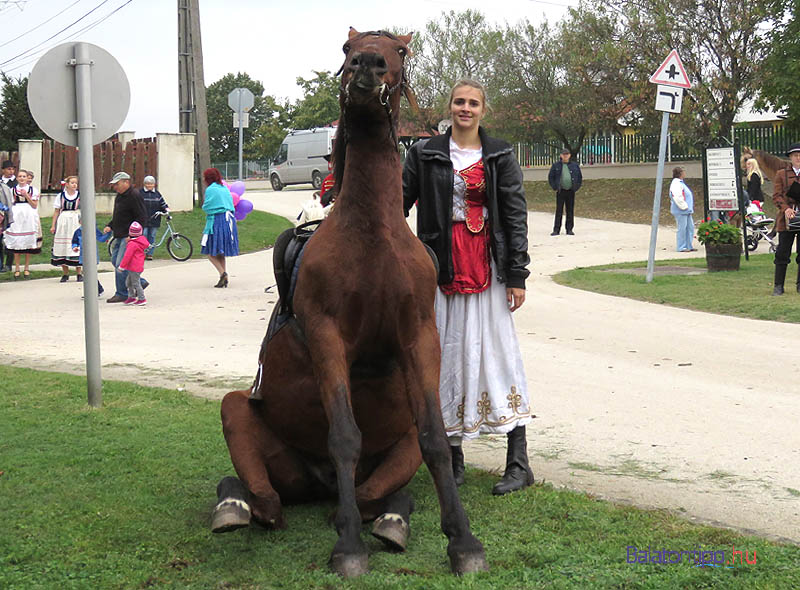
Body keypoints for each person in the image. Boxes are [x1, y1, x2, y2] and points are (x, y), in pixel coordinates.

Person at [403, 79, 533, 496]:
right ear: (450, 106)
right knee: (448, 353)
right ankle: (453, 457)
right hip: (440, 266)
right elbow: (397, 206)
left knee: (497, 353)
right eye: (459, 101)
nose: (465, 108)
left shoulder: (500, 155)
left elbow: (514, 215)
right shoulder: (424, 154)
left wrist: (517, 274)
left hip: (488, 266)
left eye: (473, 103)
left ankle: (518, 460)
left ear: (483, 110)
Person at [102, 171, 148, 303]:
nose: (115, 187)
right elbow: (119, 215)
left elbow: (142, 217)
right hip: (119, 234)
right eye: (114, 185)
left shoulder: (134, 196)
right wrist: (110, 225)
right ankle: (139, 281)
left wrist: (133, 236)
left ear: (126, 182)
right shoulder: (120, 196)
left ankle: (122, 292)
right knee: (115, 260)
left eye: (117, 184)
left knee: (120, 264)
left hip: (128, 237)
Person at [201, 167, 239, 288]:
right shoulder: (224, 188)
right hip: (229, 222)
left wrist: (205, 208)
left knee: (210, 251)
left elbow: (207, 206)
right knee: (220, 251)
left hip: (217, 220)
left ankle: (223, 273)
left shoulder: (211, 189)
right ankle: (223, 276)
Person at [771, 143, 800, 296]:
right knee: (782, 253)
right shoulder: (781, 174)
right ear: (790, 157)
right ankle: (778, 285)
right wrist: (786, 209)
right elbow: (776, 196)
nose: (798, 158)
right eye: (795, 155)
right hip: (786, 219)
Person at [2, 169, 41, 278]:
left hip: (28, 215)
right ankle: (17, 267)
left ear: (27, 178)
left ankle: (27, 267)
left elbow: (34, 205)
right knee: (17, 242)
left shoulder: (33, 190)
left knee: (28, 243)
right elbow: (10, 203)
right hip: (17, 216)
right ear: (17, 178)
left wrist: (27, 195)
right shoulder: (12, 190)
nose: (22, 178)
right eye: (20, 176)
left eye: (24, 176)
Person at [50, 176, 82, 281]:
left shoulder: (80, 195)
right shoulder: (61, 196)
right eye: (72, 183)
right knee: (63, 246)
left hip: (75, 220)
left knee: (76, 244)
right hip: (63, 221)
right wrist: (53, 225)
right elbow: (56, 211)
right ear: (67, 184)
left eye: (76, 183)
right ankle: (65, 273)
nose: (74, 185)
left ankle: (79, 273)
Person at [548, 148, 582, 235]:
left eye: (567, 154)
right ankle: (556, 229)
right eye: (564, 154)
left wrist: (576, 187)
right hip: (560, 191)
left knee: (570, 210)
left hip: (571, 191)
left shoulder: (574, 165)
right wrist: (555, 187)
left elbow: (579, 177)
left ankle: (569, 229)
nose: (565, 156)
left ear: (569, 155)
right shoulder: (556, 165)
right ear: (561, 155)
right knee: (559, 211)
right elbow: (551, 177)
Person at [71, 225, 109, 298]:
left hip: (93, 255)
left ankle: (96, 291)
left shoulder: (93, 229)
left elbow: (101, 239)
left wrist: (108, 233)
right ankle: (96, 290)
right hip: (83, 255)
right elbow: (74, 241)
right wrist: (74, 247)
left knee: (91, 273)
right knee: (87, 274)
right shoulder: (78, 231)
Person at [119, 221, 149, 306]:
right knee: (129, 282)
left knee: (135, 283)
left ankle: (142, 298)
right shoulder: (141, 241)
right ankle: (131, 297)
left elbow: (127, 256)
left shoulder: (132, 244)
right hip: (137, 266)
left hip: (134, 267)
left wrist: (122, 266)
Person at [140, 175, 169, 260]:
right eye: (147, 184)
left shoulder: (157, 194)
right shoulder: (140, 193)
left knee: (152, 236)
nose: (149, 185)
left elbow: (163, 204)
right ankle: (142, 253)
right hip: (143, 219)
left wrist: (166, 209)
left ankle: (150, 254)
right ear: (144, 184)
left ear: (154, 184)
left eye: (151, 184)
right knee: (143, 235)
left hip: (155, 219)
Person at [669, 167, 696, 252]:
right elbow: (677, 196)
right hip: (681, 210)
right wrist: (684, 206)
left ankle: (689, 245)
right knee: (682, 228)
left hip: (686, 211)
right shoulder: (676, 184)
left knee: (690, 227)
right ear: (680, 173)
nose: (685, 173)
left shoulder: (681, 183)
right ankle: (681, 246)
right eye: (683, 172)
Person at [0, 159, 15, 271]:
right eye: (9, 169)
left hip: (12, 212)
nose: (11, 171)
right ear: (3, 170)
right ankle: (1, 264)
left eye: (13, 169)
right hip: (1, 213)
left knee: (11, 238)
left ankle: (9, 263)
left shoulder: (15, 183)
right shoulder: (1, 182)